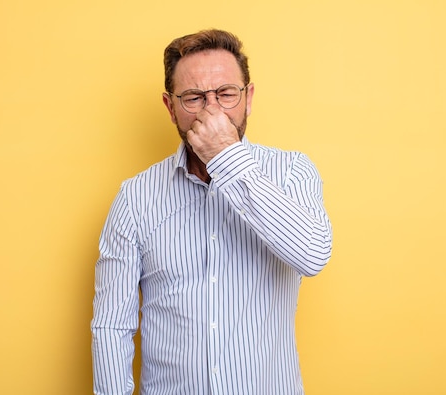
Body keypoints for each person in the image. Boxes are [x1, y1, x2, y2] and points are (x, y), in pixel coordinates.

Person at [91, 29, 333, 395]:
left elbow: (313, 254)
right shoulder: (134, 198)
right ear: (170, 106)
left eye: (226, 94)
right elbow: (111, 327)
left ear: (248, 97)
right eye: (193, 98)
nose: (212, 110)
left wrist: (226, 157)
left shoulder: (292, 172)